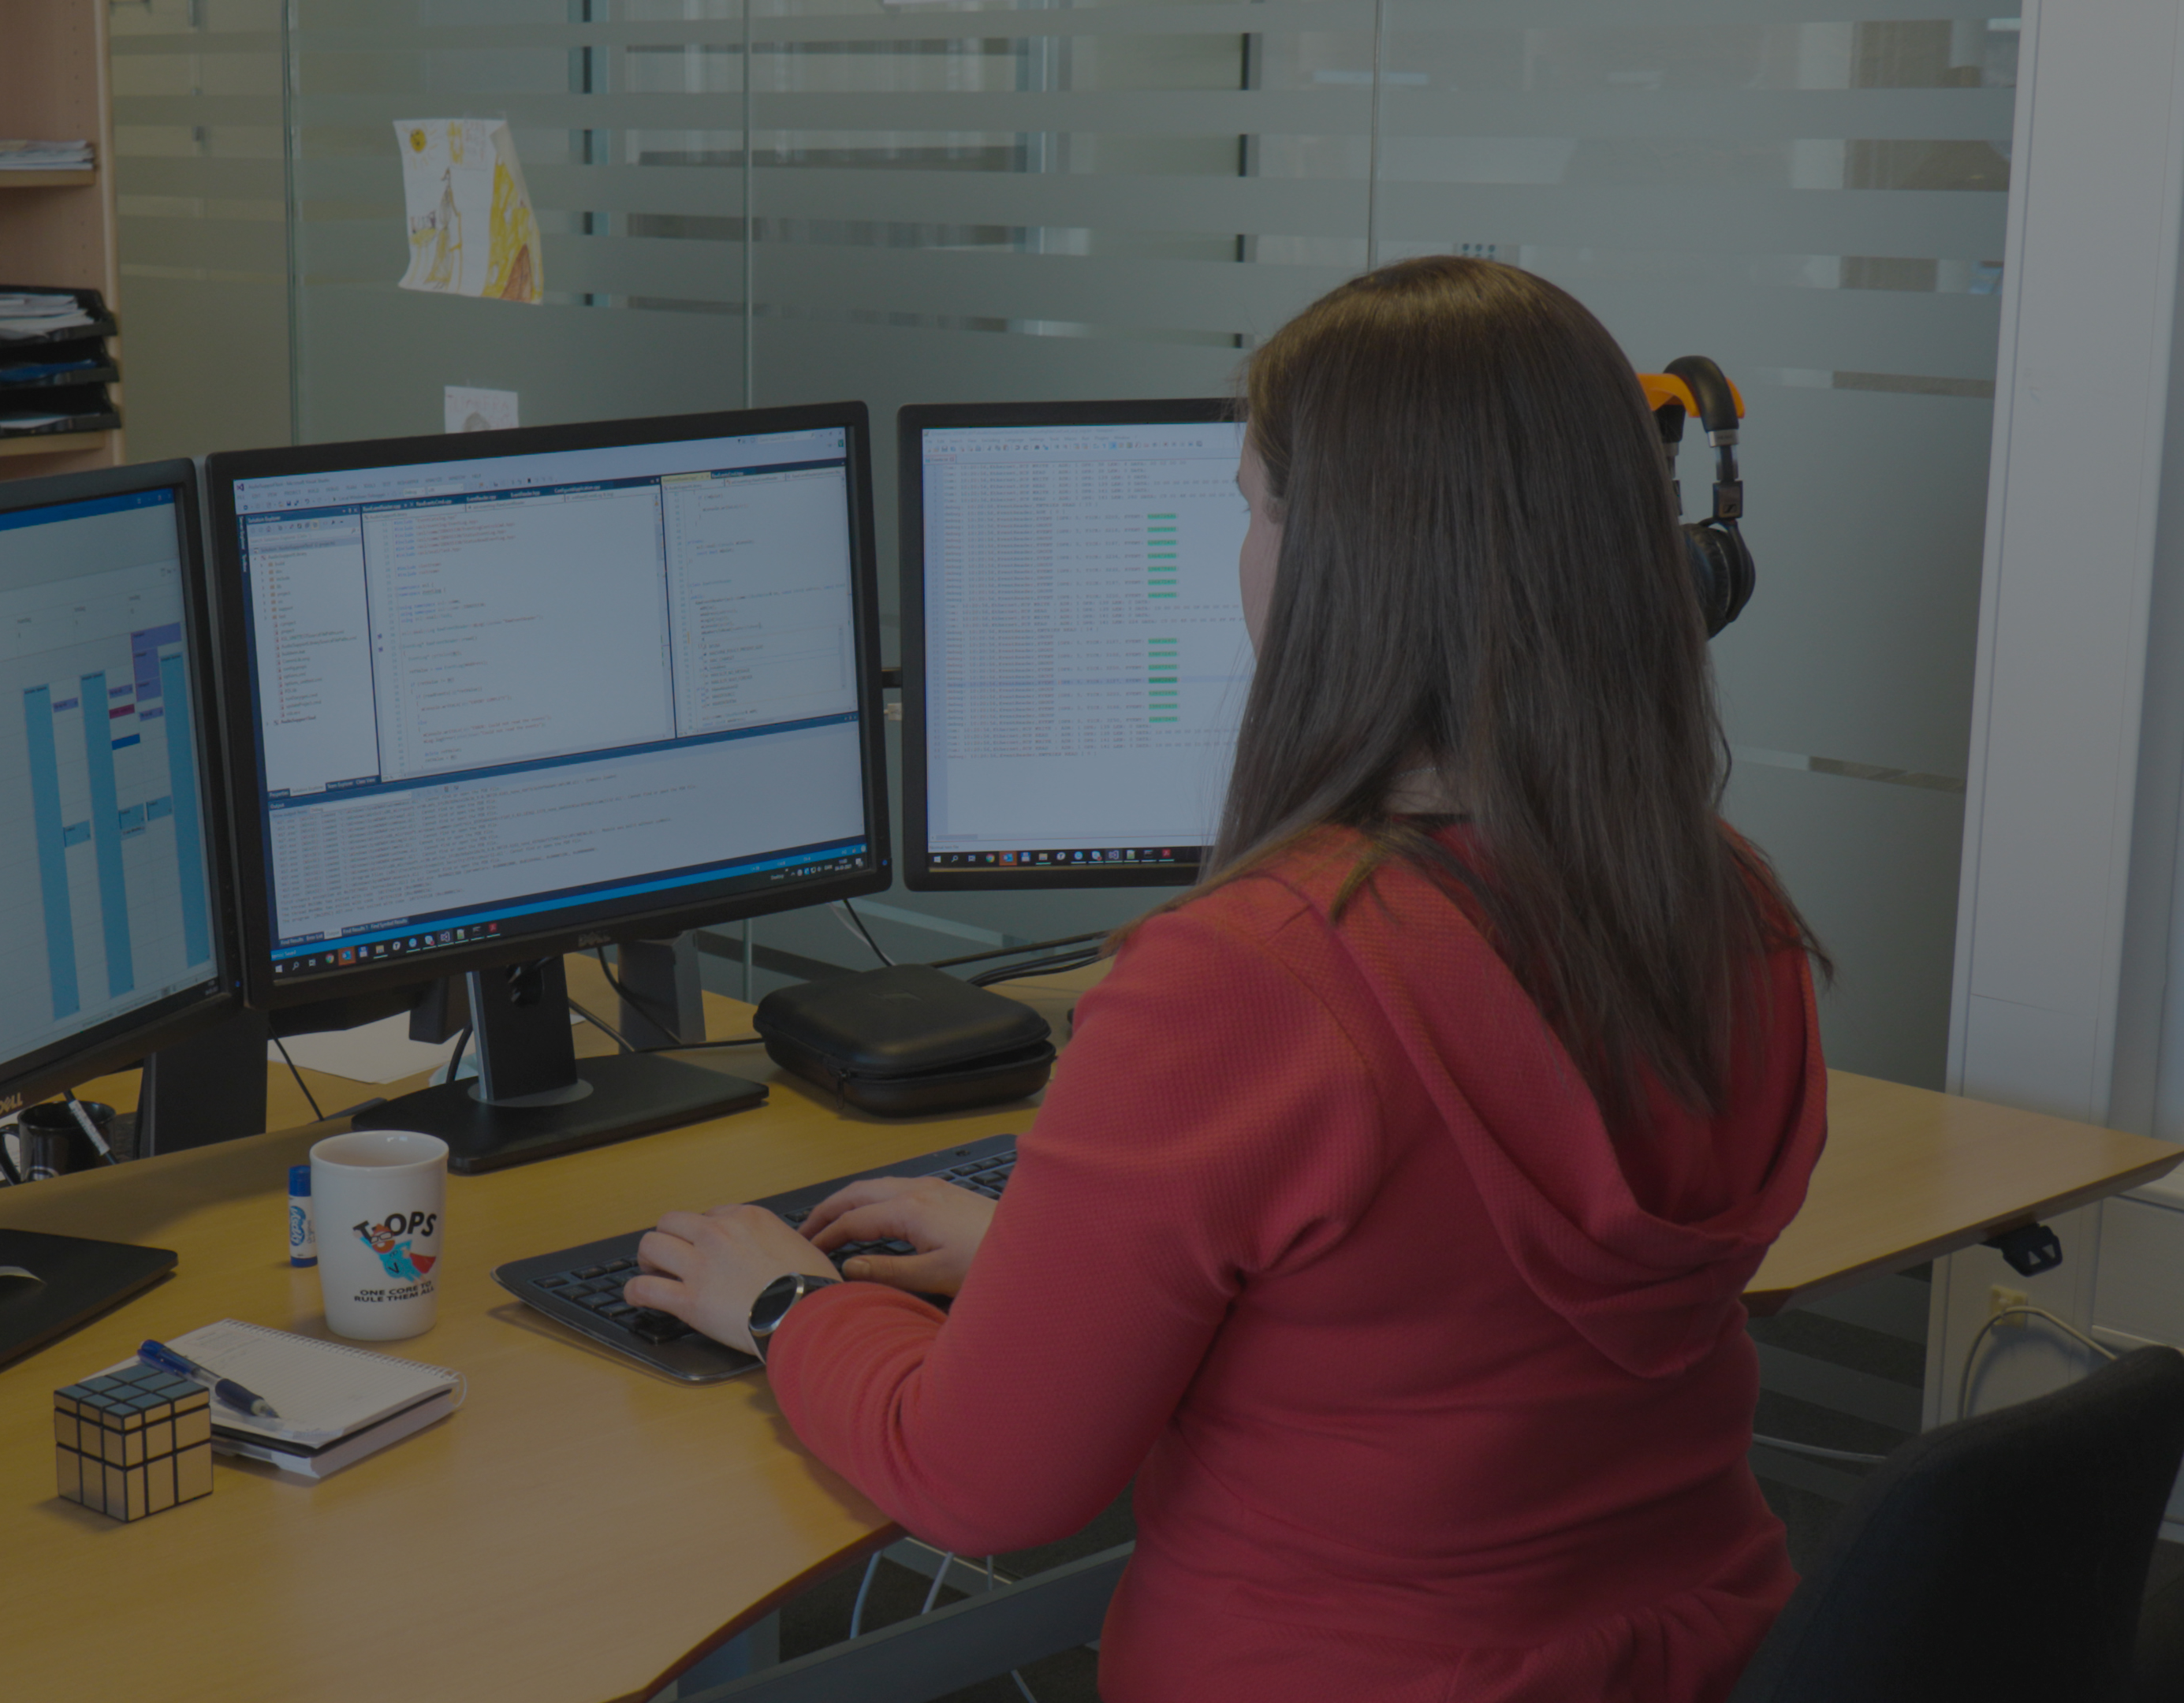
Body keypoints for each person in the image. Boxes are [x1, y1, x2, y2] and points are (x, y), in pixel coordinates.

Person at [624, 255, 1829, 1703]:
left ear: (1349, 563)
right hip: (1701, 1657)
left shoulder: (1254, 979)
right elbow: (1434, 1333)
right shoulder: (1728, 903)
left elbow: (983, 1484)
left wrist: (791, 1308)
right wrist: (1043, 1273)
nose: (1241, 556)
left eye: (1253, 508)